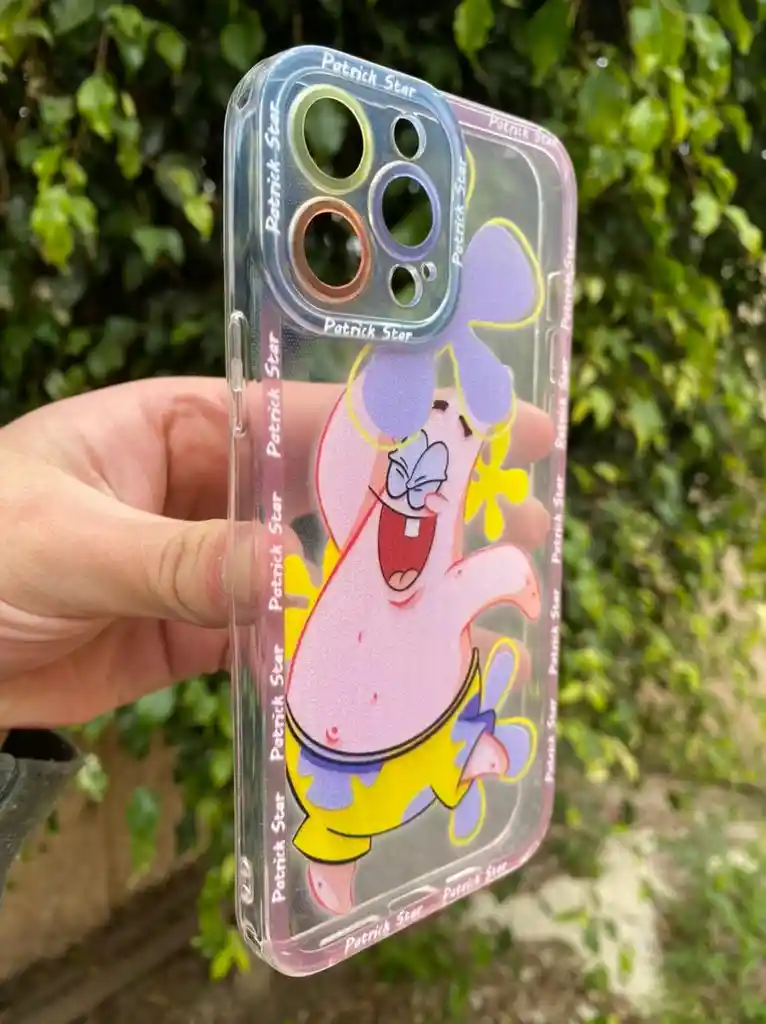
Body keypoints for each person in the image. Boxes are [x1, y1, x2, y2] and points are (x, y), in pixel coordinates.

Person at [0, 375, 553, 903]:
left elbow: (441, 589)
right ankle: (381, 819)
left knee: (421, 726)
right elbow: (348, 483)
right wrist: (498, 575)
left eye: (458, 430)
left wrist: (494, 575)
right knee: (373, 773)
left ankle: (455, 761)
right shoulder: (372, 528)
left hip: (376, 741)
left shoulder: (418, 548)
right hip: (332, 745)